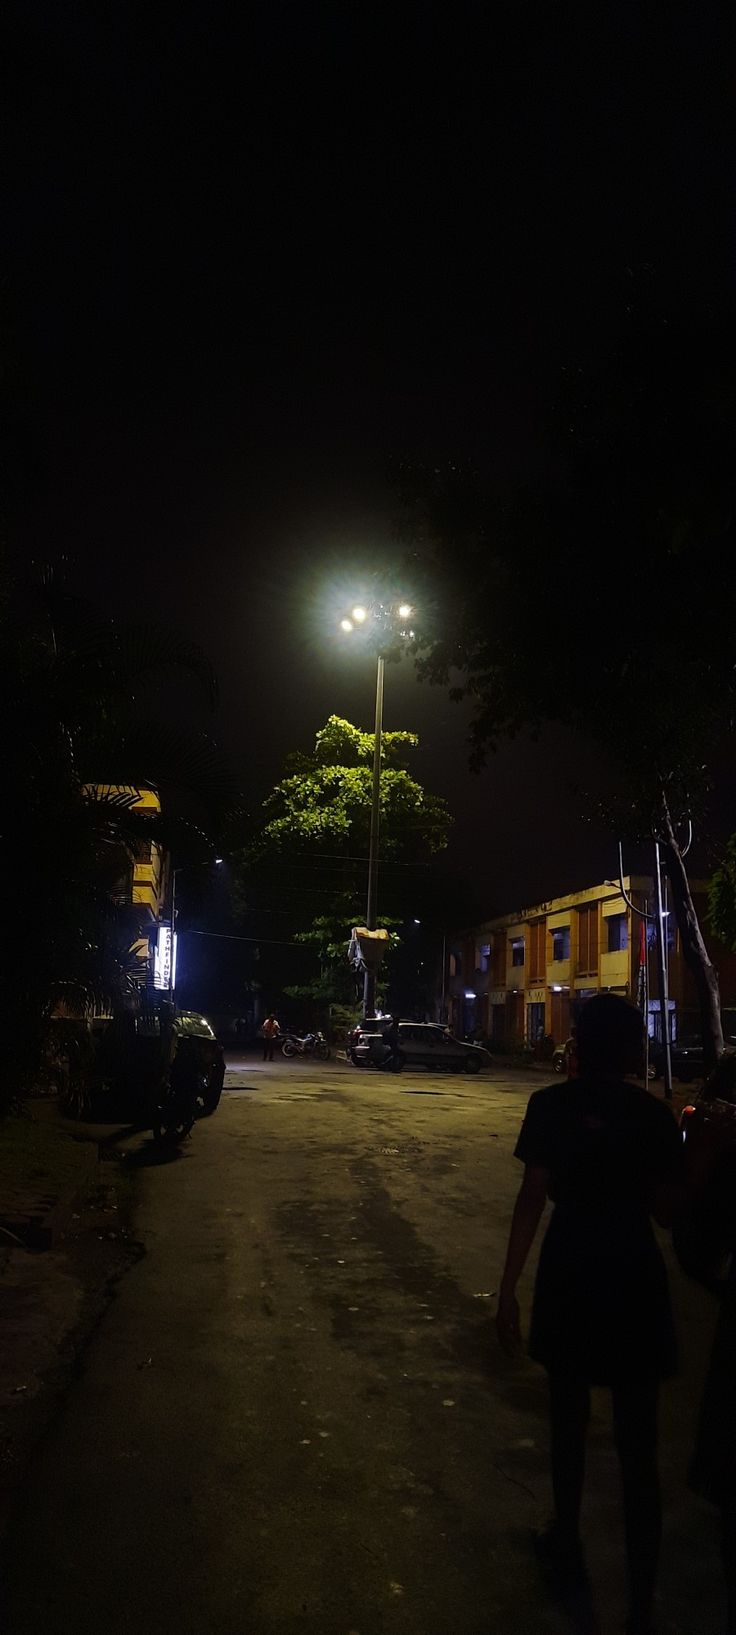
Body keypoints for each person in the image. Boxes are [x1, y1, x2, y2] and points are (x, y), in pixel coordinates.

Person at [496, 993, 682, 1635]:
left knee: (568, 1421)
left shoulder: (550, 1107)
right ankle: (641, 1589)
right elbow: (665, 1211)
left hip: (571, 1267)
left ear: (579, 1045)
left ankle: (567, 1538)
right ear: (631, 1050)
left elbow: (531, 1198)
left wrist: (507, 1290)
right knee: (639, 1445)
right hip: (632, 1272)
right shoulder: (654, 1119)